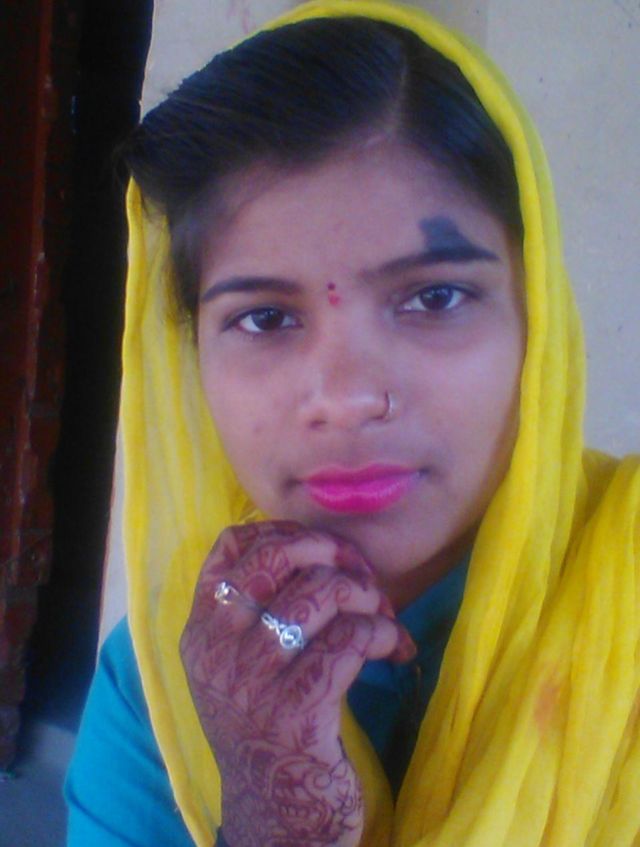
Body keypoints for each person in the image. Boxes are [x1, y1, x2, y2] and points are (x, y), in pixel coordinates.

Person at [65, 2, 640, 846]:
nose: (344, 396)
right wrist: (273, 807)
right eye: (264, 317)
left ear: (537, 315)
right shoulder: (165, 675)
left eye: (434, 297)